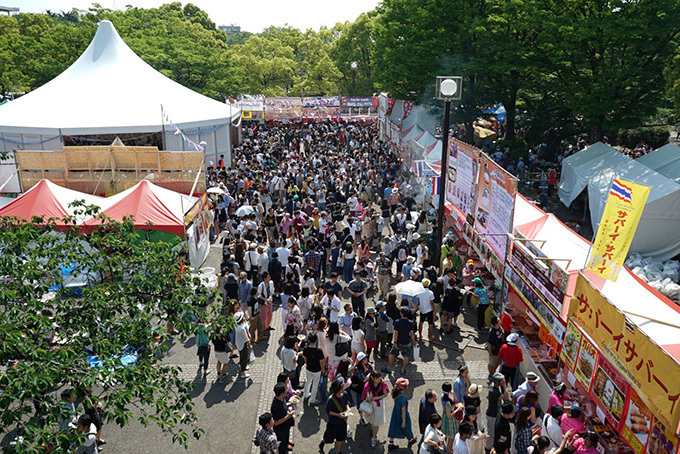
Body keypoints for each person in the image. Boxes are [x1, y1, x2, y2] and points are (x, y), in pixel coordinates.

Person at [320, 379, 351, 454]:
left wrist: (348, 409)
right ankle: (323, 441)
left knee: (339, 438)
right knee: (329, 438)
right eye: (341, 388)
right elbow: (328, 411)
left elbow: (346, 403)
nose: (343, 389)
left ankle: (338, 451)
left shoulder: (345, 394)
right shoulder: (331, 400)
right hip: (333, 423)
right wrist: (338, 415)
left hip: (342, 422)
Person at [383, 307, 416, 375]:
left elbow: (396, 333)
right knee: (406, 356)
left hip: (399, 341)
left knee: (392, 354)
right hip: (407, 342)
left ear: (402, 314)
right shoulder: (410, 322)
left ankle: (389, 368)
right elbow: (412, 333)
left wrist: (395, 342)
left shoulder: (398, 321)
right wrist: (413, 341)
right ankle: (402, 370)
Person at [387, 377, 418, 450]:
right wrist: (404, 421)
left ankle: (391, 443)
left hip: (395, 413)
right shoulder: (403, 398)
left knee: (393, 427)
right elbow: (403, 411)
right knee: (407, 427)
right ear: (404, 388)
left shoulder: (396, 394)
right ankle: (410, 439)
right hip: (402, 415)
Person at [362, 370, 390, 448]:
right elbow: (366, 396)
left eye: (379, 377)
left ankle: (374, 437)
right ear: (372, 378)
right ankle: (372, 429)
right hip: (371, 404)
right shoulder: (368, 385)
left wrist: (376, 398)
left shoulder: (383, 384)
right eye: (377, 378)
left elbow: (385, 394)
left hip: (379, 404)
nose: (379, 379)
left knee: (376, 423)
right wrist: (369, 397)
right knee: (371, 420)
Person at [486, 372, 510, 450]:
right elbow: (506, 397)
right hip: (492, 415)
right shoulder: (494, 391)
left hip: (495, 414)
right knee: (491, 434)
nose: (502, 382)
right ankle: (488, 448)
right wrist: (504, 385)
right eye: (500, 381)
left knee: (494, 433)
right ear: (496, 382)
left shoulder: (495, 387)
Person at [303, 333, 326, 405]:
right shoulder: (319, 351)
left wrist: (307, 364)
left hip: (308, 368)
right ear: (316, 340)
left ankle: (306, 395)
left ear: (309, 340)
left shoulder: (306, 349)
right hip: (317, 370)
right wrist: (323, 369)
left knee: (308, 382)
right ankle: (312, 400)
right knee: (315, 384)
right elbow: (321, 362)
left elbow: (305, 359)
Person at [271, 382, 295, 454]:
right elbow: (276, 422)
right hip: (281, 428)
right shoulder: (275, 407)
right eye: (285, 392)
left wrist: (289, 404)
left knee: (286, 435)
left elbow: (284, 404)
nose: (287, 392)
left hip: (286, 425)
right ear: (281, 394)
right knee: (282, 443)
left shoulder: (281, 399)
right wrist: (288, 416)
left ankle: (287, 442)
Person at [441, 382, 463, 452]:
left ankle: (445, 449)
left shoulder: (443, 396)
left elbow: (453, 401)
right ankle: (448, 451)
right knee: (451, 439)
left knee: (446, 436)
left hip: (445, 418)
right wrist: (457, 410)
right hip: (449, 420)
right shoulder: (447, 403)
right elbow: (449, 415)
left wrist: (453, 394)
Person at [234, 312, 251, 379]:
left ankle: (243, 366)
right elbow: (246, 338)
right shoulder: (241, 329)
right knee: (244, 357)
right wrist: (249, 345)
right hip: (242, 344)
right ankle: (243, 372)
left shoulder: (237, 326)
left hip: (238, 343)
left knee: (242, 356)